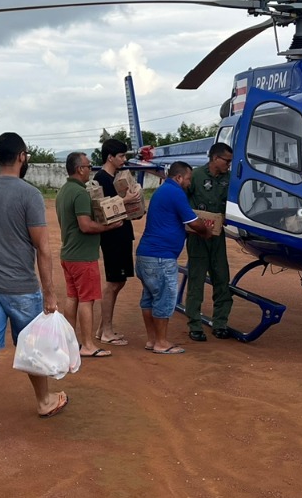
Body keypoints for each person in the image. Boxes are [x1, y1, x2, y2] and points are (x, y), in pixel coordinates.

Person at [0, 132, 67, 442]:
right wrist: (49, 292)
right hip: (20, 287)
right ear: (22, 156)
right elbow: (42, 248)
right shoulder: (29, 194)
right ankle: (45, 402)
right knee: (30, 345)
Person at [135, 161, 212, 355]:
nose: (189, 183)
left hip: (146, 255)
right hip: (161, 257)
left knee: (149, 298)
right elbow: (194, 222)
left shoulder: (162, 191)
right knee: (164, 298)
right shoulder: (176, 193)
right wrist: (206, 231)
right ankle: (161, 342)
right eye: (188, 179)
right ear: (179, 177)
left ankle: (152, 340)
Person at [55, 151, 125, 359]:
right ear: (79, 169)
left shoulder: (64, 191)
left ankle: (71, 342)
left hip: (68, 253)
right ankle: (87, 344)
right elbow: (85, 226)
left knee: (73, 297)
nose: (90, 170)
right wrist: (109, 226)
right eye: (88, 166)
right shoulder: (80, 193)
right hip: (83, 256)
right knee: (87, 300)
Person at [184, 142, 234, 341]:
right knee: (196, 280)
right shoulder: (195, 176)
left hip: (217, 236)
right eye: (226, 161)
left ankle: (220, 322)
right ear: (215, 158)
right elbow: (183, 201)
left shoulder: (230, 179)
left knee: (222, 278)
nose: (228, 165)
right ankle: (195, 324)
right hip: (197, 236)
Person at [93, 138, 139, 346]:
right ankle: (106, 331)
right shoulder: (101, 179)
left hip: (122, 234)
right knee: (113, 282)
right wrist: (126, 201)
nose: (124, 159)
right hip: (111, 237)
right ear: (110, 157)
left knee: (119, 281)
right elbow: (102, 210)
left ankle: (103, 327)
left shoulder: (118, 178)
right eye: (121, 156)